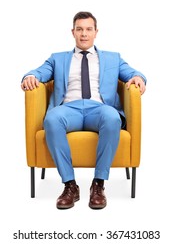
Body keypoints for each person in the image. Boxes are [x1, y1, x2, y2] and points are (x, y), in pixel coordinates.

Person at [21, 11, 146, 209]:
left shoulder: (113, 58)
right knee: (52, 119)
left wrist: (139, 78)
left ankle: (98, 184)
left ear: (96, 32)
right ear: (73, 32)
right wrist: (30, 76)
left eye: (89, 29)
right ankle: (70, 185)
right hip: (68, 109)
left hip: (99, 109)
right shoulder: (58, 58)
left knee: (113, 118)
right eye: (79, 29)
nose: (84, 34)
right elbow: (39, 72)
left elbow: (133, 73)